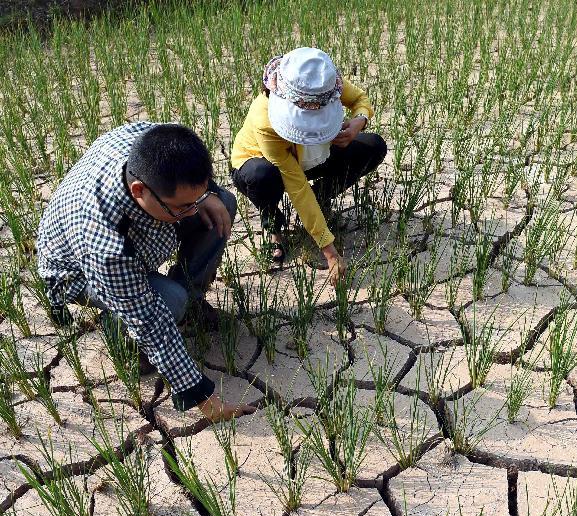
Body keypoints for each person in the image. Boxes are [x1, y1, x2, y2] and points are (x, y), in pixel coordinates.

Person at [36, 122, 255, 423]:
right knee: (169, 304)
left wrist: (207, 195)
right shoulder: (104, 242)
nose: (192, 210)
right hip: (78, 274)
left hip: (136, 238)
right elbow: (150, 320)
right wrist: (204, 398)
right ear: (139, 190)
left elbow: (191, 182)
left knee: (222, 203)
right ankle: (120, 331)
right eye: (183, 207)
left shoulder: (149, 141)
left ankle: (190, 300)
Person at [231, 47, 387, 281]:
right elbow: (296, 186)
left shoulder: (323, 84)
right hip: (263, 163)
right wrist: (330, 252)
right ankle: (273, 225)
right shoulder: (265, 119)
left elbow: (359, 100)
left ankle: (320, 198)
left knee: (373, 146)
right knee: (261, 176)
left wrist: (358, 122)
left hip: (311, 153)